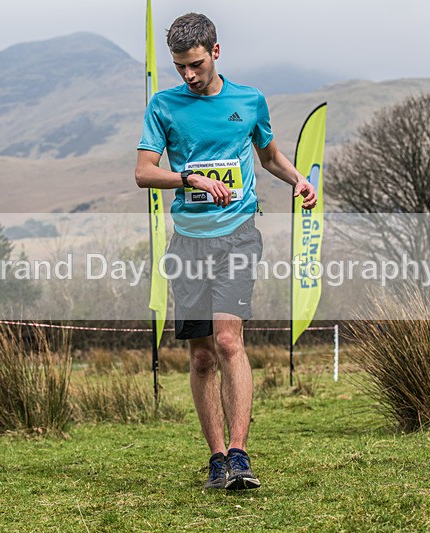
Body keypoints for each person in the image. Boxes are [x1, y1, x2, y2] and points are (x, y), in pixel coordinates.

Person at [135, 13, 316, 490]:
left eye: (195, 64)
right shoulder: (163, 106)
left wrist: (298, 179)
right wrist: (188, 178)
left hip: (237, 233)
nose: (189, 75)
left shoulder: (249, 101)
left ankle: (240, 455)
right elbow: (143, 172)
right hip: (188, 239)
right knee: (200, 357)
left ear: (216, 51)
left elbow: (270, 156)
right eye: (180, 68)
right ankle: (216, 458)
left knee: (229, 341)